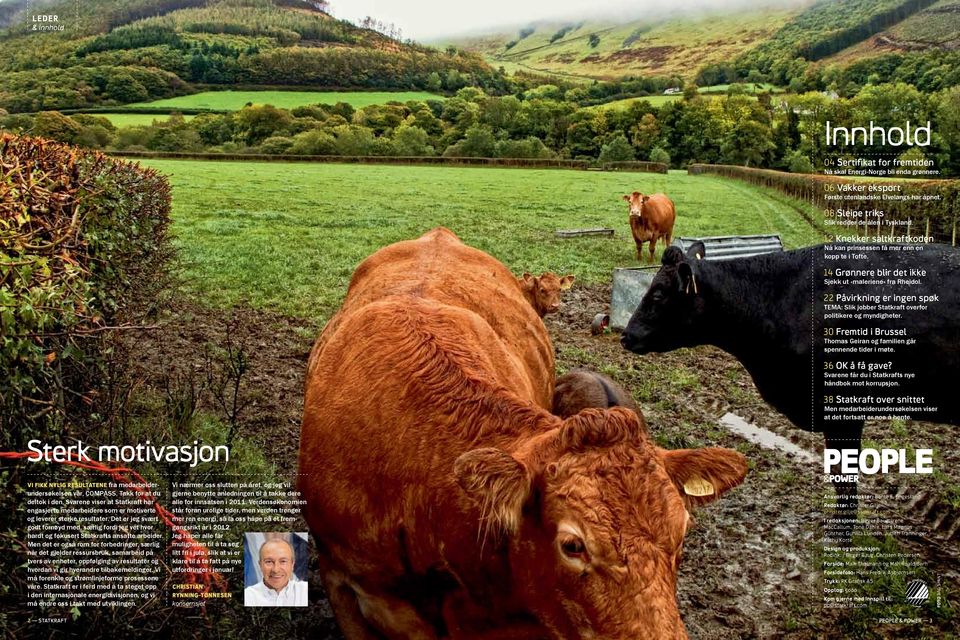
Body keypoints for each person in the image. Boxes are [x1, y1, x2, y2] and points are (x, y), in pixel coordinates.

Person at [243, 538, 308, 606]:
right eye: (269, 562)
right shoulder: (247, 596)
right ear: (260, 565)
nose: (276, 570)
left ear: (292, 564)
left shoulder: (305, 591)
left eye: (283, 561)